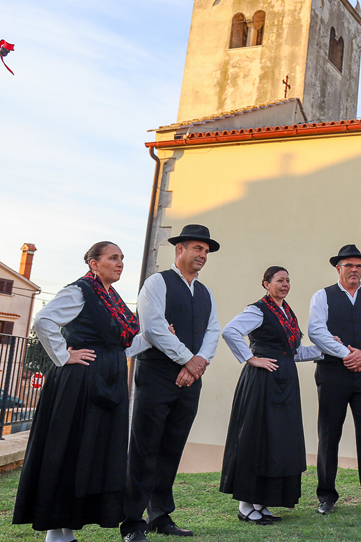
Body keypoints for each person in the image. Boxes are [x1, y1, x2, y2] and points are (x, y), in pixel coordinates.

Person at [13, 242, 149, 542]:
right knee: (70, 449)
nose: (120, 263)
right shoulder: (80, 291)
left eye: (122, 259)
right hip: (81, 382)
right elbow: (43, 320)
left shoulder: (112, 299)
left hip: (108, 381)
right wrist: (64, 355)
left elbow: (123, 345)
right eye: (113, 258)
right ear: (93, 263)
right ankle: (56, 533)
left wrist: (151, 337)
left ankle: (65, 530)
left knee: (92, 453)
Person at [122, 225, 222, 541]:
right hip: (156, 377)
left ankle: (160, 516)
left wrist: (197, 365)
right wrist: (187, 360)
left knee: (171, 449)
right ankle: (132, 522)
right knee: (144, 448)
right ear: (179, 250)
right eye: (197, 248)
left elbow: (213, 332)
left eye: (205, 250)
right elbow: (153, 328)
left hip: (190, 380)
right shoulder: (157, 283)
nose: (202, 255)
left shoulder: (205, 292)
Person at [219, 266, 321, 525]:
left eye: (288, 280)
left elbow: (294, 353)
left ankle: (260, 503)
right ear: (266, 284)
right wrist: (251, 358)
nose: (285, 284)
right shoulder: (257, 310)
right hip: (262, 382)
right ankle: (245, 505)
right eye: (279, 280)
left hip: (285, 381)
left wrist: (326, 349)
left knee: (276, 441)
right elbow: (230, 331)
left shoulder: (287, 313)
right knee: (256, 438)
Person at [307, 244, 361, 516]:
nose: (355, 270)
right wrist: (346, 355)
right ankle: (326, 496)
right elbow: (317, 331)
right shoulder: (322, 296)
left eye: (359, 266)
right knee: (329, 434)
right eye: (349, 265)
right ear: (338, 268)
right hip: (332, 374)